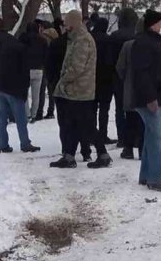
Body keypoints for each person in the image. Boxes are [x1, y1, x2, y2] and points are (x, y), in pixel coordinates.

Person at [51, 10, 108, 168]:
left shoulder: (82, 40)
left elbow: (76, 67)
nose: (65, 26)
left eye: (67, 22)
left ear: (74, 22)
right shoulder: (75, 38)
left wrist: (62, 82)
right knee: (73, 124)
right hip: (75, 90)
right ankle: (69, 156)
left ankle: (102, 154)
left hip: (80, 91)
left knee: (86, 124)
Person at [131, 10, 161, 192]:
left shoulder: (154, 41)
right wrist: (150, 97)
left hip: (156, 96)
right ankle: (155, 177)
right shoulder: (144, 43)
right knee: (156, 136)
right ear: (152, 24)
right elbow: (142, 73)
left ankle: (146, 175)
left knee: (150, 135)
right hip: (149, 99)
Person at [0, 26, 40, 153]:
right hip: (15, 90)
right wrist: (24, 91)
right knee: (21, 119)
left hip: (2, 87)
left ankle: (3, 144)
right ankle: (25, 143)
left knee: (2, 119)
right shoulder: (23, 51)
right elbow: (24, 74)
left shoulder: (6, 48)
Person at [109, 8, 141, 156]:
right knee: (136, 109)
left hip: (117, 76)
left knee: (120, 109)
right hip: (135, 77)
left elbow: (110, 60)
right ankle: (135, 138)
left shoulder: (114, 37)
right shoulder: (137, 37)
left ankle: (122, 137)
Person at [92, 17, 117, 146]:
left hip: (91, 78)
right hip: (106, 79)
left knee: (91, 109)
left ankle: (91, 134)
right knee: (104, 110)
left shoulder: (90, 38)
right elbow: (111, 61)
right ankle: (102, 134)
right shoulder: (108, 40)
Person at [20, 22, 47, 122]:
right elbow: (46, 56)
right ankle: (34, 114)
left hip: (26, 69)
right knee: (36, 95)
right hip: (38, 69)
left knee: (25, 94)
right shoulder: (42, 40)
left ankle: (26, 114)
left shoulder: (23, 39)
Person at [43, 18, 67, 121]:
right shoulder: (59, 38)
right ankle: (51, 109)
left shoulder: (44, 37)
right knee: (52, 91)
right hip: (59, 70)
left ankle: (48, 110)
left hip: (47, 68)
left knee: (46, 89)